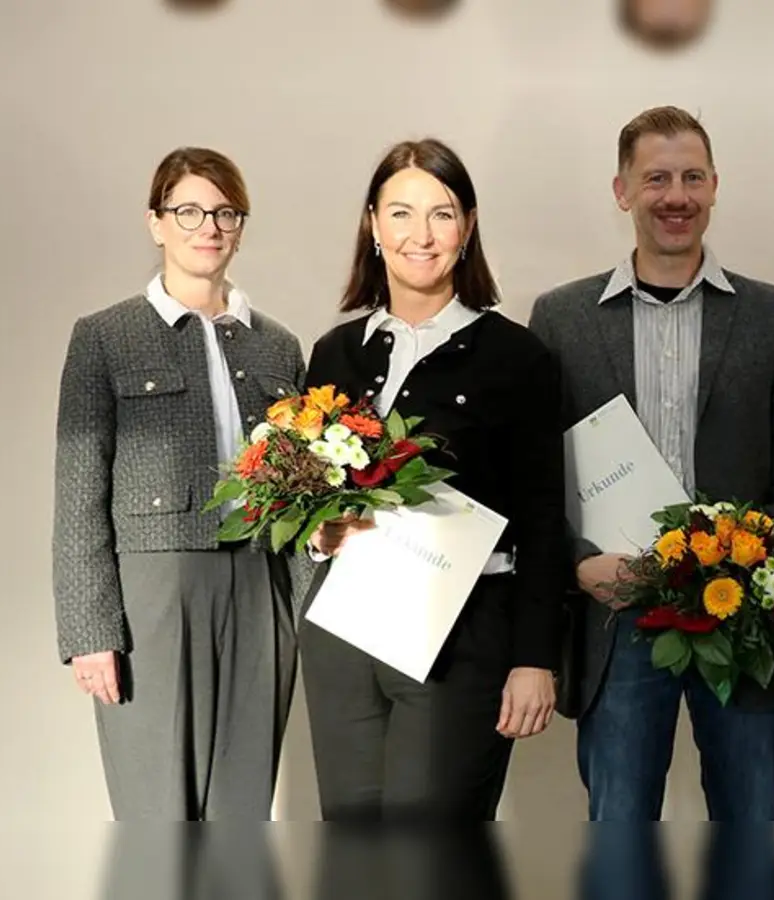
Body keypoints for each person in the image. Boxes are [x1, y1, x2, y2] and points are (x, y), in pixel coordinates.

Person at [528, 105, 774, 821]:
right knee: (620, 829)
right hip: (619, 619)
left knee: (749, 822)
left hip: (745, 620)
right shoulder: (562, 319)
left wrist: (752, 556)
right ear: (622, 191)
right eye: (657, 178)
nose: (677, 196)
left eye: (693, 177)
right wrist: (577, 564)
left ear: (715, 186)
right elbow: (537, 482)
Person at [297, 138, 565, 822]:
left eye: (441, 214)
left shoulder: (518, 358)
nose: (421, 235)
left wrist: (534, 659)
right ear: (373, 225)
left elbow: (542, 517)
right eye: (401, 213)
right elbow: (310, 497)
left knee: (436, 850)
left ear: (467, 227)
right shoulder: (334, 353)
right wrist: (318, 532)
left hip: (465, 633)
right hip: (345, 633)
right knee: (352, 844)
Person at [52, 146, 307, 820]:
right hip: (153, 592)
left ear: (241, 226)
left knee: (242, 811)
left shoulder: (278, 345)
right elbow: (78, 493)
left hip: (260, 583)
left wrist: (308, 619)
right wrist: (89, 630)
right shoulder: (105, 337)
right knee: (157, 814)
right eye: (188, 211)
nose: (208, 227)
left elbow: (303, 493)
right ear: (156, 222)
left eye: (225, 213)